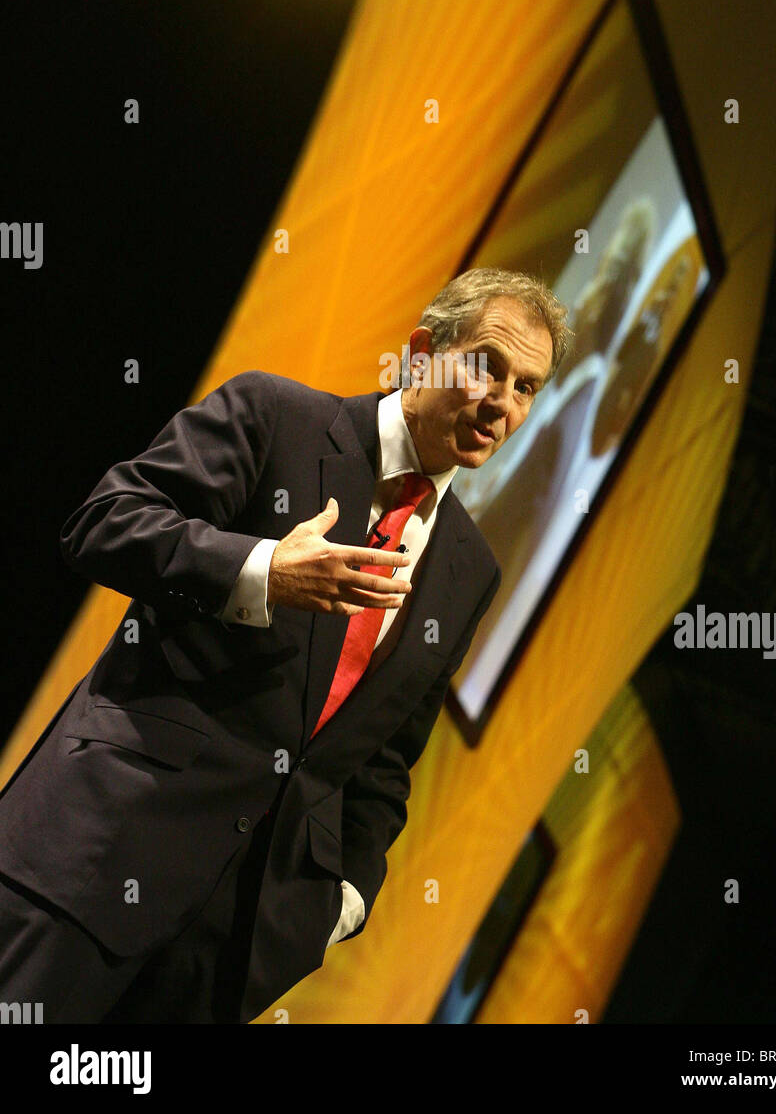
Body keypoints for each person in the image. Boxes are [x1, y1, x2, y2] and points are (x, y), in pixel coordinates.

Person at [0, 267, 570, 1023]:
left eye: (527, 387)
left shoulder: (471, 569)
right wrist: (262, 569)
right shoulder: (276, 415)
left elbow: (388, 760)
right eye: (486, 367)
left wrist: (344, 898)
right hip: (101, 856)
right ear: (423, 350)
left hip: (232, 950)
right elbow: (104, 522)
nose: (502, 403)